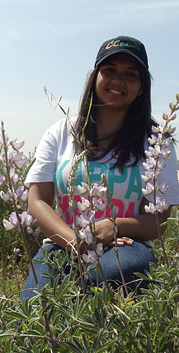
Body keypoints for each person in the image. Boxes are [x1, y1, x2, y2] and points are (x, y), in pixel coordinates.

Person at [20, 36, 179, 300]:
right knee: (30, 321)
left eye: (130, 74)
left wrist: (112, 226)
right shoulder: (61, 131)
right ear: (95, 77)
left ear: (141, 87)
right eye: (110, 70)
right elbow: (37, 202)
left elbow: (159, 222)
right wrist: (76, 242)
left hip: (127, 247)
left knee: (115, 274)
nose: (119, 80)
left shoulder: (157, 141)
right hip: (61, 245)